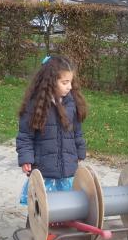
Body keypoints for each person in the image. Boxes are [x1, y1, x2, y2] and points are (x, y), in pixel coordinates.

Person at [16, 55, 87, 205]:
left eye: (71, 82)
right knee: (41, 208)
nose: (69, 87)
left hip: (67, 170)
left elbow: (77, 131)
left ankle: (62, 228)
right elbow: (25, 136)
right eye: (65, 82)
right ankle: (34, 228)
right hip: (44, 172)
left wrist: (80, 151)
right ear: (50, 82)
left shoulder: (71, 103)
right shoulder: (35, 105)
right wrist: (26, 158)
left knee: (66, 208)